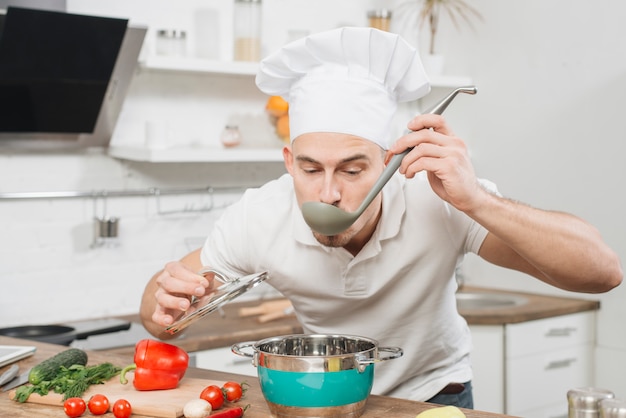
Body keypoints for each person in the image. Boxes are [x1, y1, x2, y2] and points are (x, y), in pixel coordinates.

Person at [139, 27, 622, 408]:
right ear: (289, 163)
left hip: (436, 394)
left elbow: (603, 272)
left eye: (353, 169)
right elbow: (160, 318)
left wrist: (478, 200)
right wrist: (167, 306)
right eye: (310, 169)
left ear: (390, 162)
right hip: (323, 396)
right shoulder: (259, 215)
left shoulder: (439, 199)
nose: (328, 192)